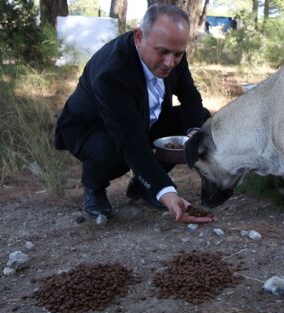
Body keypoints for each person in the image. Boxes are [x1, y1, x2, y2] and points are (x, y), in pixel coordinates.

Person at [54, 4, 215, 224]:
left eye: (178, 54)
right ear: (139, 37)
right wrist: (167, 192)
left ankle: (143, 185)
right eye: (163, 52)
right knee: (113, 154)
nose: (170, 63)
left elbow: (189, 96)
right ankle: (94, 186)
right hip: (93, 128)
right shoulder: (112, 72)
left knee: (200, 119)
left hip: (142, 119)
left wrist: (193, 133)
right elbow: (130, 140)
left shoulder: (172, 51)